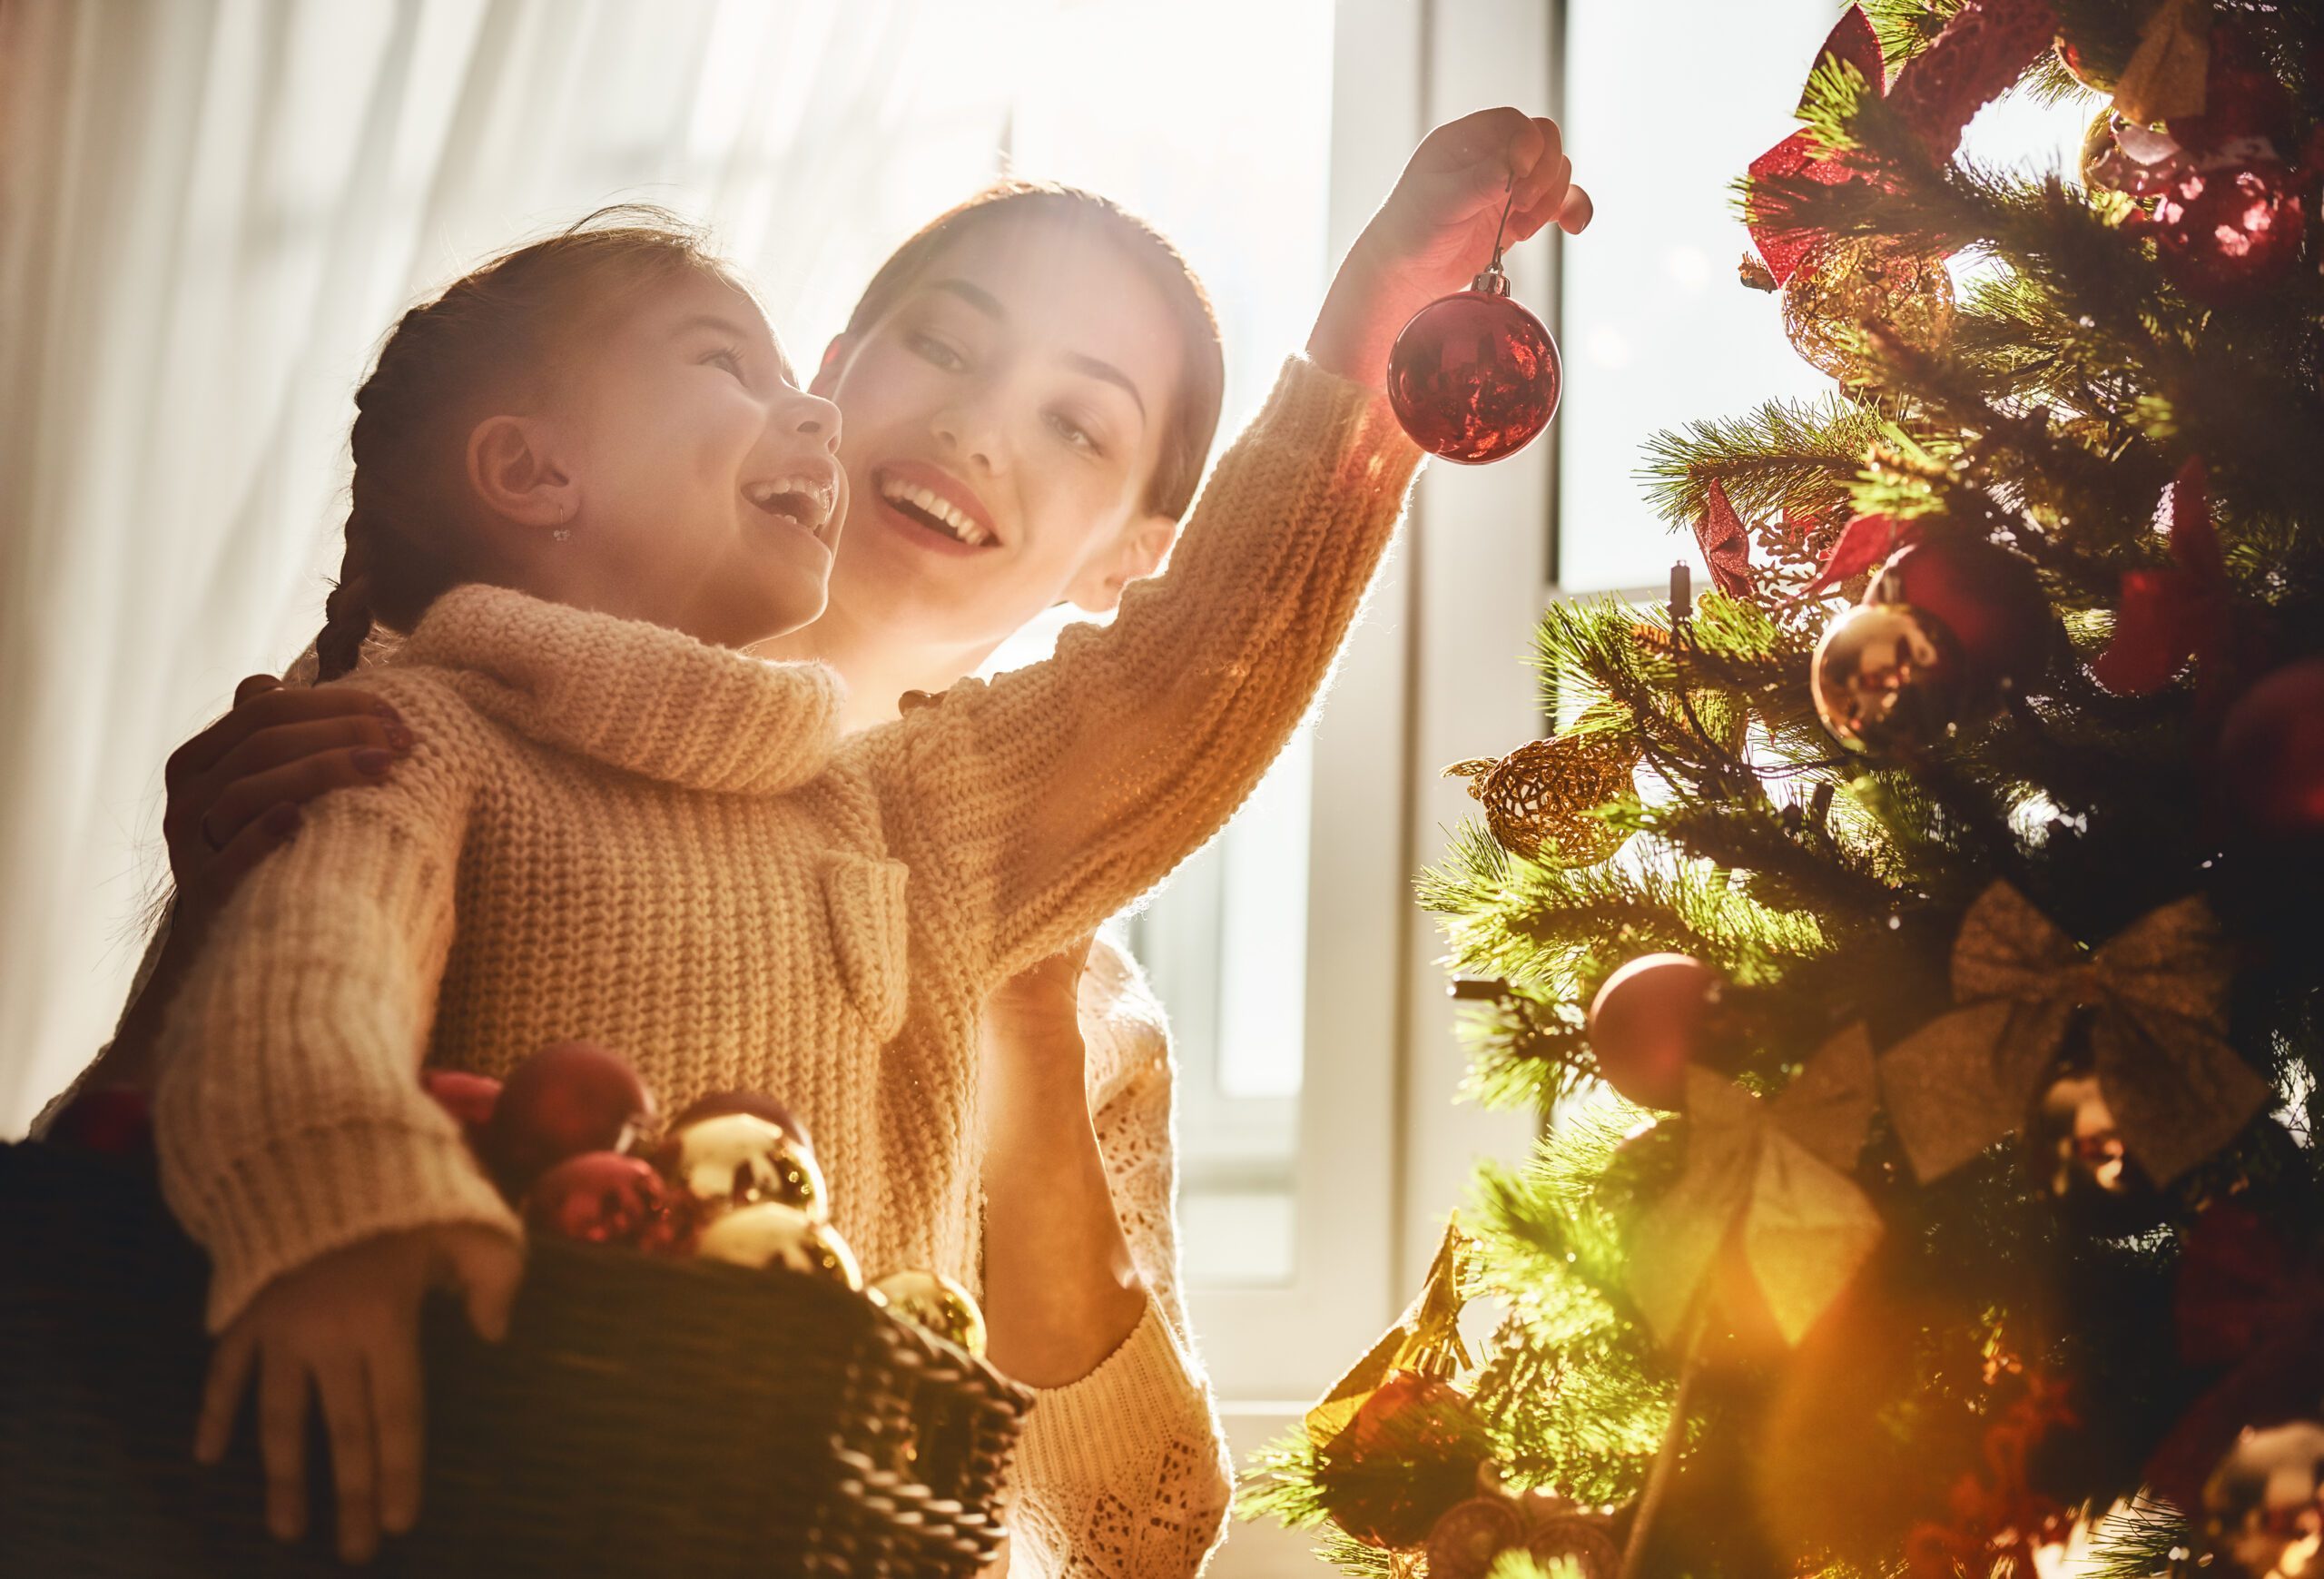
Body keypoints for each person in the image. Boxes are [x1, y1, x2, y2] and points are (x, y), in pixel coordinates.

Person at [61, 109, 1590, 1573]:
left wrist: (1385, 323)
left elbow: (1139, 1536)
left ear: (1131, 562)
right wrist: (232, 937)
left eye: (1074, 421)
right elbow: (128, 1226)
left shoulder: (952, 841)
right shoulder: (409, 736)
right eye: (941, 344)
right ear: (836, 380)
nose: (979, 427)